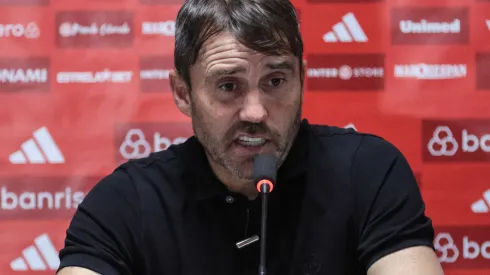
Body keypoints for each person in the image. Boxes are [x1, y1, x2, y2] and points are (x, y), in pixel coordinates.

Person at [56, 0, 445, 274]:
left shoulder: (368, 171)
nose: (255, 112)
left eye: (275, 81)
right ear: (183, 94)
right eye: (228, 86)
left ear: (302, 81)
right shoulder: (127, 201)